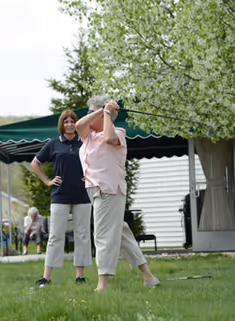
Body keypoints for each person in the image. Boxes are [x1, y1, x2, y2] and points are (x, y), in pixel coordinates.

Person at [76, 96, 159, 292]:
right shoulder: (88, 136)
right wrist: (101, 110)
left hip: (109, 191)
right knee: (121, 234)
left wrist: (106, 112)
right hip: (95, 191)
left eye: (93, 112)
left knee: (103, 235)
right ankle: (148, 276)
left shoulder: (118, 133)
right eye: (90, 112)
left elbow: (109, 138)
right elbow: (79, 124)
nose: (89, 116)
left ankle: (102, 284)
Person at [31, 109, 92, 287]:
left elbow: (96, 161)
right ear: (62, 125)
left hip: (83, 195)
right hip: (59, 196)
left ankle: (80, 277)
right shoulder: (53, 144)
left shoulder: (84, 143)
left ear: (76, 123)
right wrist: (47, 181)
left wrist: (90, 176)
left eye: (72, 121)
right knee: (55, 236)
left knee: (82, 235)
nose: (70, 124)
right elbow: (35, 163)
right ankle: (46, 278)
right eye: (66, 121)